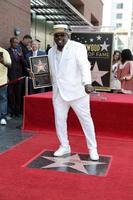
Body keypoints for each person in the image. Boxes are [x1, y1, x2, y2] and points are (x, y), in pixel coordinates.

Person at [48, 24, 99, 160]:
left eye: (62, 35)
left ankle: (92, 148)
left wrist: (87, 83)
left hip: (77, 92)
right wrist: (38, 77)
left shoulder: (78, 47)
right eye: (56, 35)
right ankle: (64, 146)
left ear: (67, 35)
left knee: (86, 120)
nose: (59, 37)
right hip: (58, 93)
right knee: (59, 120)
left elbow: (84, 66)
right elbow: (52, 72)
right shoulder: (51, 51)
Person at [7, 37, 24, 117]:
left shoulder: (20, 51)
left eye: (17, 43)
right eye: (14, 42)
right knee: (11, 95)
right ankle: (11, 112)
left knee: (18, 95)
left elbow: (24, 63)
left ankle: (17, 112)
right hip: (10, 77)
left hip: (19, 77)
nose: (16, 44)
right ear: (11, 42)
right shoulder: (7, 51)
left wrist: (21, 56)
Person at [0, 46, 11, 125]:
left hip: (2, 81)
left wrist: (2, 61)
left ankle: (3, 117)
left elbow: (9, 65)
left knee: (3, 99)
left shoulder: (4, 52)